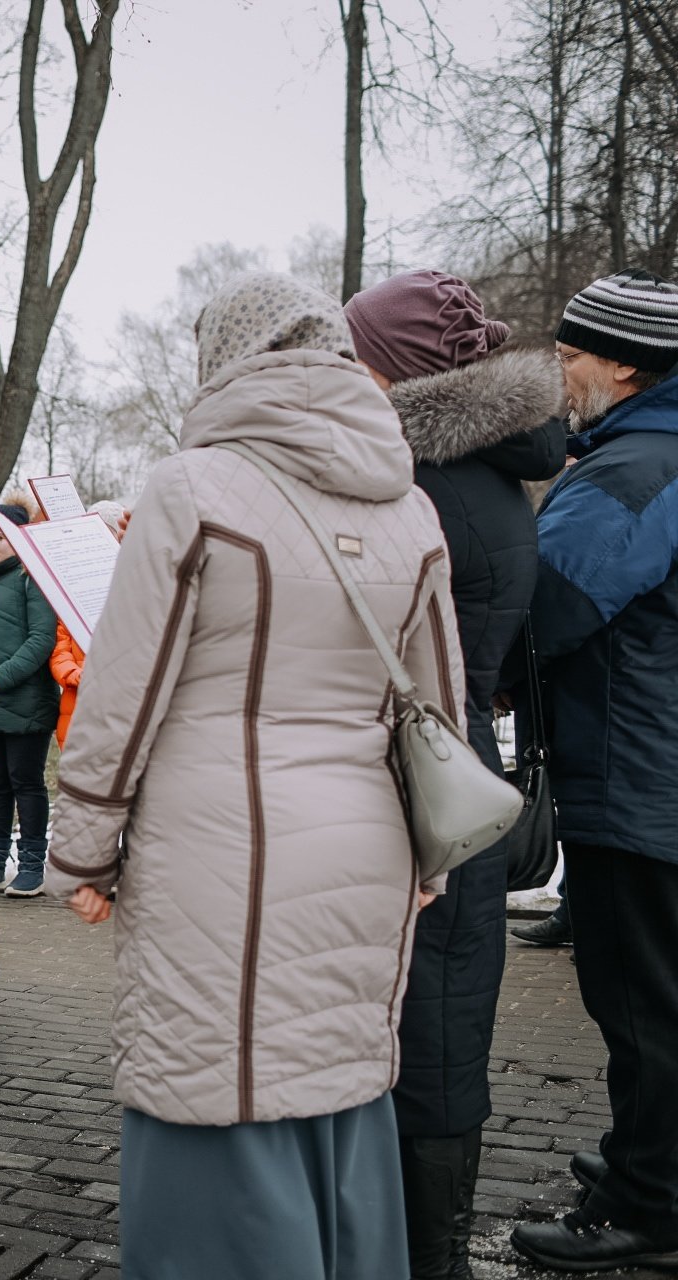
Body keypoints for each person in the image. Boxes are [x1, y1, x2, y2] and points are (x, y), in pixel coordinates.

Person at [45, 273, 466, 1279]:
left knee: (216, 1082)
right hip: (368, 839)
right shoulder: (411, 507)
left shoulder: (195, 489)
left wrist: (84, 848)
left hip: (219, 850)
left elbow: (124, 694)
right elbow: (439, 709)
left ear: (224, 361)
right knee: (338, 1078)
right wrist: (432, 854)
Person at [345, 269, 566, 1279]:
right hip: (456, 770)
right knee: (447, 1013)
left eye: (361, 358)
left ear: (402, 370)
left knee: (426, 1024)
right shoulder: (495, 470)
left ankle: (425, 1255)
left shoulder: (420, 487)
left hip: (415, 786)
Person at [508, 269, 678, 1273]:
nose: (558, 370)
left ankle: (648, 1206)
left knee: (641, 999)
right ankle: (641, 1157)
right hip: (652, 764)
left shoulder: (632, 470)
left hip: (637, 772)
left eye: (569, 353)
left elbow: (549, 611)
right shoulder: (648, 451)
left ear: (622, 364)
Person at [0, 500, 59, 897]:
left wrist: (0, 678)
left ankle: (33, 865)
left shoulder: (31, 581)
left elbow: (42, 639)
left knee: (26, 783)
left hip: (25, 702)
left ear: (17, 539)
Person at [48, 501, 126, 749]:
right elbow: (60, 646)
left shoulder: (135, 580)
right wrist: (75, 674)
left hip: (119, 704)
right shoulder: (75, 585)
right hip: (77, 703)